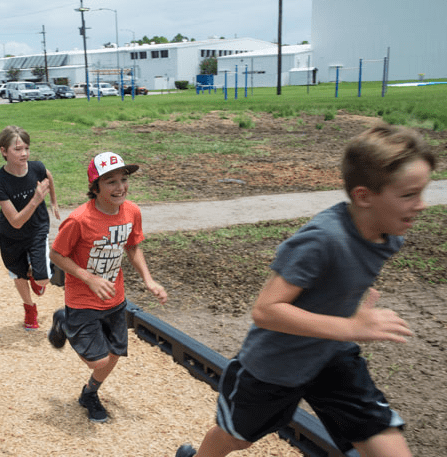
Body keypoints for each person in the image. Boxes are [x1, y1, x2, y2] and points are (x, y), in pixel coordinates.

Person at [175, 124, 436, 457]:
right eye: (409, 195)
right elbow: (266, 310)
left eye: (422, 192)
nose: (421, 205)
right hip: (274, 368)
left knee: (383, 439)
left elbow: (349, 270)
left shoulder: (389, 235)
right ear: (364, 196)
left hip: (331, 355)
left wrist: (354, 304)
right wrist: (351, 327)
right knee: (235, 437)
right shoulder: (320, 240)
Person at [48, 151, 167, 423]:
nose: (120, 187)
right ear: (95, 187)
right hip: (82, 300)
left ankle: (89, 393)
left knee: (114, 354)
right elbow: (56, 255)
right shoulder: (79, 220)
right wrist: (88, 277)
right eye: (110, 181)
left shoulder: (132, 211)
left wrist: (149, 280)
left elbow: (132, 246)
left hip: (115, 297)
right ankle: (65, 322)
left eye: (123, 179)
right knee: (97, 361)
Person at [0, 125, 60, 329]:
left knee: (44, 280)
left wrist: (53, 202)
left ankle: (35, 274)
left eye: (26, 148)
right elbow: (16, 221)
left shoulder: (36, 168)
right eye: (17, 149)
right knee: (17, 274)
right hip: (11, 235)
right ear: (3, 151)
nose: (24, 154)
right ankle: (30, 310)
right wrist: (37, 199)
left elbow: (49, 176)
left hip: (37, 229)